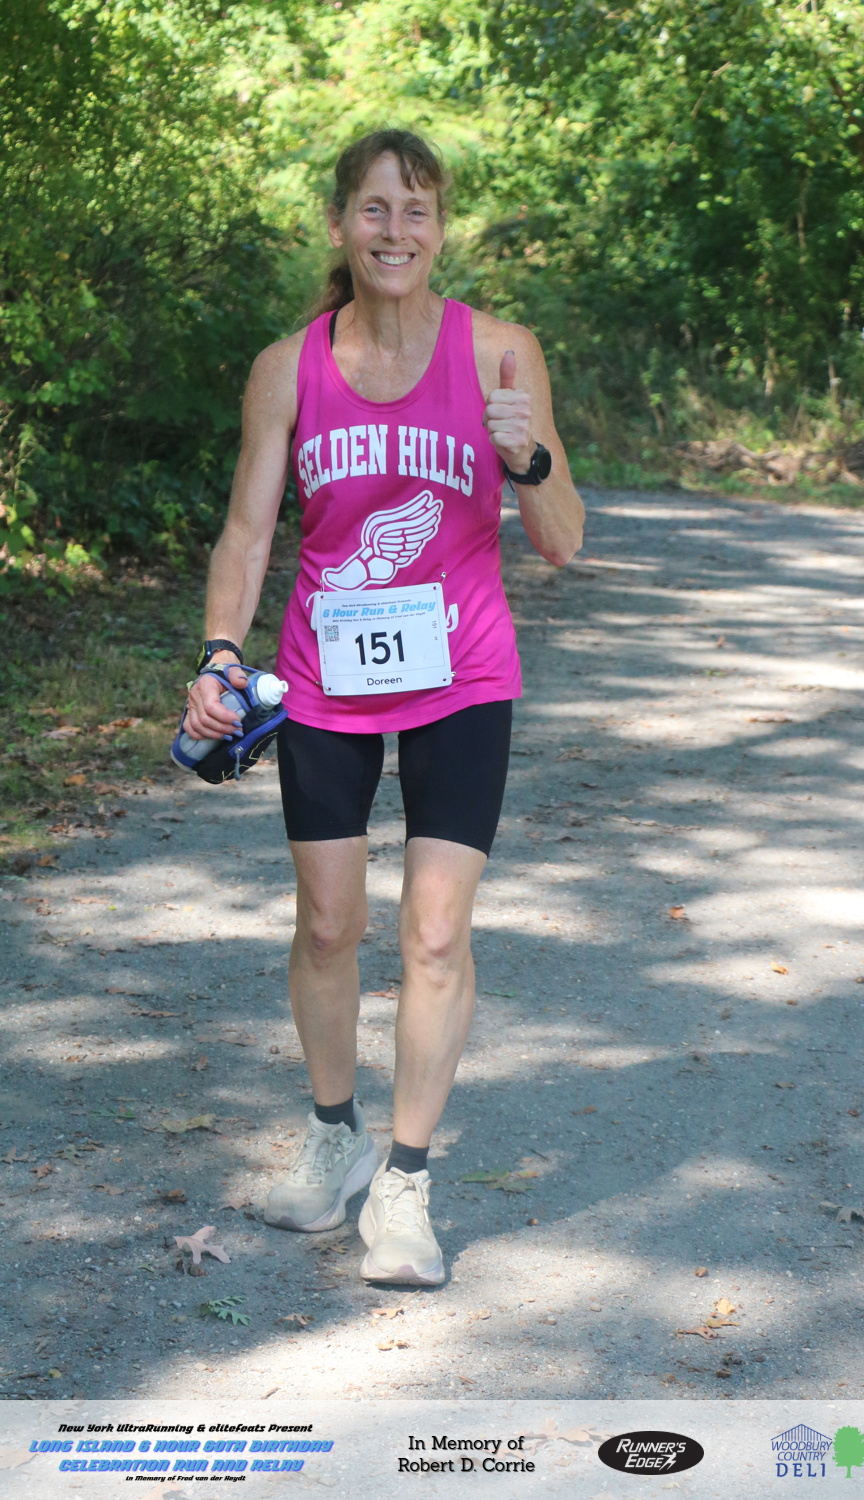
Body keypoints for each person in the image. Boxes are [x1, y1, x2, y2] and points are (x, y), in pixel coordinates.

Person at [183, 128, 584, 1285]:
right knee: (327, 923)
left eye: (416, 210)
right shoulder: (288, 367)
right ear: (340, 225)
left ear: (440, 229)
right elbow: (247, 532)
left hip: (462, 674)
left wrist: (527, 460)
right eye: (374, 208)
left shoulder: (501, 354)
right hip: (326, 675)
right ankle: (333, 1138)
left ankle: (405, 1183)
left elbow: (561, 542)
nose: (394, 230)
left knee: (437, 932)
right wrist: (220, 653)